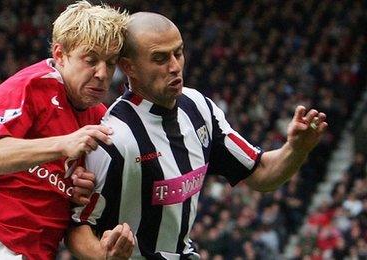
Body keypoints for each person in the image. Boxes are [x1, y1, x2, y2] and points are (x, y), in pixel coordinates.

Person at [66, 12, 328, 259]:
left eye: (178, 53)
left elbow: (261, 174)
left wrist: (296, 148)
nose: (174, 67)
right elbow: (77, 228)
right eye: (159, 58)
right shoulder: (114, 137)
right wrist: (104, 256)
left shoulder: (199, 107)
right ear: (129, 67)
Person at [0, 2, 130, 259]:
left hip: (36, 253)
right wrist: (62, 144)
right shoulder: (28, 87)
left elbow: (78, 205)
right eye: (91, 60)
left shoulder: (101, 119)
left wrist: (79, 189)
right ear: (60, 54)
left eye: (110, 63)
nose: (102, 73)